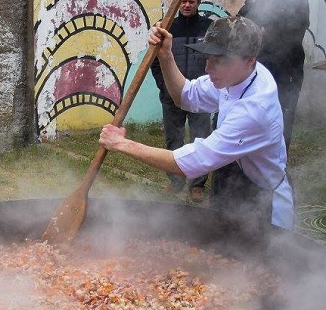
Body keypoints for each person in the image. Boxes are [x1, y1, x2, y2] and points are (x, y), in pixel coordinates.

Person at [99, 16, 294, 229]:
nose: (209, 68)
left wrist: (121, 144)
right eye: (208, 57)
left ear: (250, 60)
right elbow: (185, 95)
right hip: (233, 186)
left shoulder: (255, 109)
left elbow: (188, 163)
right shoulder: (236, 76)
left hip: (263, 204)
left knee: (257, 261)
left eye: (220, 60)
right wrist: (165, 55)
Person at [150, 0, 213, 202]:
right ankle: (176, 180)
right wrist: (164, 86)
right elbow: (155, 61)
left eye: (192, 2)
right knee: (173, 138)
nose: (187, 5)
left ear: (198, 4)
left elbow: (215, 58)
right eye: (184, 1)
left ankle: (198, 184)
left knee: (201, 139)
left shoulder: (208, 28)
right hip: (171, 97)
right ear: (178, 3)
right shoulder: (167, 27)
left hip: (201, 96)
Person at [237, 0, 309, 150]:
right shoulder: (252, 4)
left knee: (281, 124)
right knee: (254, 122)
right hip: (257, 74)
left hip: (286, 76)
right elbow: (240, 29)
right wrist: (255, 5)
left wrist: (262, 20)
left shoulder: (297, 0)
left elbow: (290, 32)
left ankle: (277, 170)